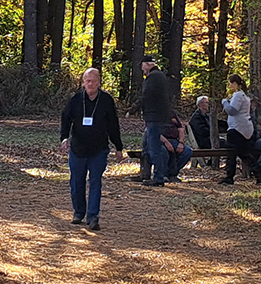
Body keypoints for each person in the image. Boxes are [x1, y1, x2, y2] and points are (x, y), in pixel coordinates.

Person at [59, 67, 124, 231]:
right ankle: (79, 212)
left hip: (99, 149)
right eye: (88, 81)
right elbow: (65, 119)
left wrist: (118, 147)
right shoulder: (75, 99)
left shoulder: (106, 100)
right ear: (83, 83)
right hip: (78, 149)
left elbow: (113, 125)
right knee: (76, 182)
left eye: (94, 81)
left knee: (95, 182)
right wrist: (64, 138)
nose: (91, 84)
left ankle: (93, 216)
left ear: (99, 82)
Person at [135, 58, 176, 186]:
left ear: (147, 65)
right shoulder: (161, 76)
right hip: (159, 116)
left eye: (142, 65)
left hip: (154, 117)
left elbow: (147, 96)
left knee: (154, 147)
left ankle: (158, 177)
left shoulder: (153, 78)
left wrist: (134, 108)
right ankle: (147, 174)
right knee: (148, 147)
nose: (142, 68)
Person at [221, 75, 261, 185]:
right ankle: (257, 170)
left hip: (237, 129)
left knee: (232, 152)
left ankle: (230, 176)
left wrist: (224, 102)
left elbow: (232, 111)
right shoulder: (244, 96)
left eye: (230, 83)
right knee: (244, 153)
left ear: (234, 83)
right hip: (245, 128)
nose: (229, 86)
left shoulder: (238, 95)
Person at [188, 96, 217, 172]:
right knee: (226, 144)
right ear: (201, 104)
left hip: (207, 139)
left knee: (225, 142)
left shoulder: (205, 115)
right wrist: (213, 132)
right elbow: (202, 131)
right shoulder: (196, 117)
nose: (208, 105)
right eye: (206, 103)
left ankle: (210, 164)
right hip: (203, 142)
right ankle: (212, 165)